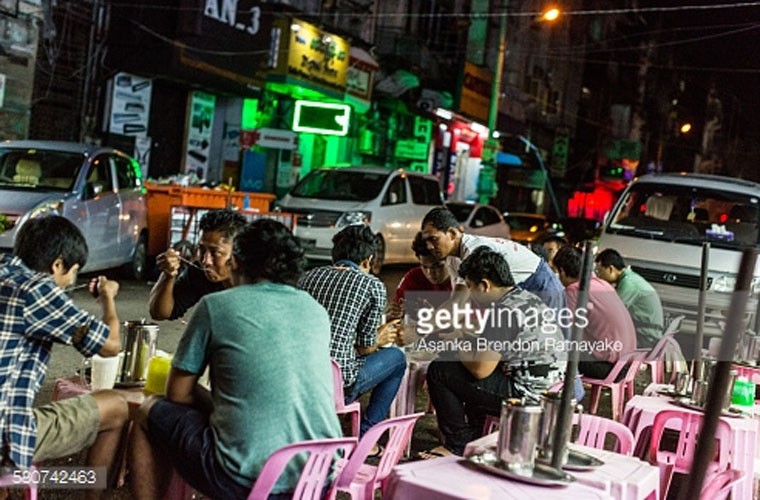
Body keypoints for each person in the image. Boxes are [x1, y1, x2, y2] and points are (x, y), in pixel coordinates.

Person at [130, 220, 342, 499]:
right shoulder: (315, 310)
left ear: (236, 262)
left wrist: (225, 410)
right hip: (320, 475)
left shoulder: (217, 305)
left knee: (147, 409)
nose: (207, 260)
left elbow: (177, 393)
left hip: (244, 479)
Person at [0, 216, 128, 499]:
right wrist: (107, 298)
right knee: (117, 406)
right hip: (5, 431)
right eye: (73, 272)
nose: (70, 282)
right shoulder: (36, 288)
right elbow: (111, 345)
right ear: (57, 264)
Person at [422, 247, 566, 457]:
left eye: (470, 287)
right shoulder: (526, 299)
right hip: (550, 389)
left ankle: (456, 444)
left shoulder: (503, 311)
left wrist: (456, 344)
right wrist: (465, 338)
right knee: (468, 379)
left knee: (440, 370)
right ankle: (476, 435)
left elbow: (481, 370)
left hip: (527, 395)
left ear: (484, 285)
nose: (470, 294)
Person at [299, 224, 406, 437]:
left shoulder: (305, 278)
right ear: (367, 261)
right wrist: (380, 336)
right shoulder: (371, 285)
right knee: (397, 358)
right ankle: (366, 436)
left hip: (302, 380)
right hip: (337, 387)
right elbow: (366, 349)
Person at [420, 207, 565, 311]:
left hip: (540, 284)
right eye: (426, 241)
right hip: (516, 291)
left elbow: (460, 302)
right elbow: (456, 302)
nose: (430, 246)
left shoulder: (473, 252)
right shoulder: (452, 259)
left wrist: (423, 328)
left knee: (551, 342)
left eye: (433, 239)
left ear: (452, 233)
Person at [552, 246, 637, 379]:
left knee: (555, 352)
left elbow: (563, 329)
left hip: (608, 368)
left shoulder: (575, 290)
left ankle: (562, 395)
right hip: (627, 364)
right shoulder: (603, 284)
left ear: (561, 271)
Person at [149, 208, 247, 320]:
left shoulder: (256, 280)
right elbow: (160, 313)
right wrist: (168, 275)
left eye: (215, 252)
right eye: (202, 249)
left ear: (238, 252)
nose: (205, 261)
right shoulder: (199, 273)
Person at [594, 248, 664, 349]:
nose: (599, 276)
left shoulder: (628, 284)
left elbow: (611, 312)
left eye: (600, 271)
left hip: (645, 338)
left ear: (610, 269)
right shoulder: (629, 278)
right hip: (645, 333)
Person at [387, 231, 452, 321]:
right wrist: (396, 314)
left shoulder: (467, 282)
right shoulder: (413, 278)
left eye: (437, 266)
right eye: (424, 267)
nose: (430, 273)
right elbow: (390, 319)